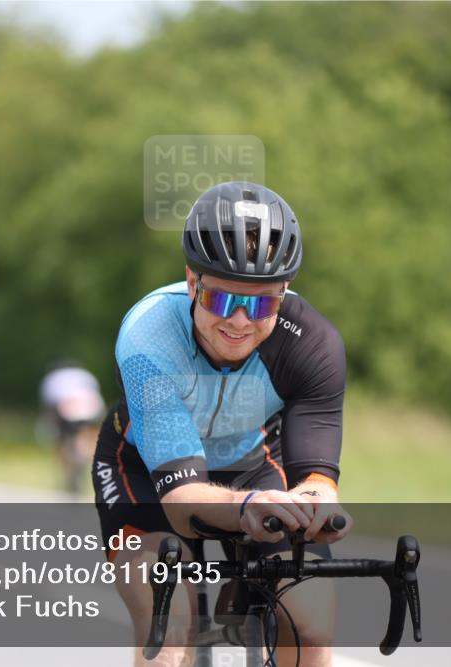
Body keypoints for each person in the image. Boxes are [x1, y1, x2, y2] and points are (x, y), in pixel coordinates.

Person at [92, 181, 350, 667]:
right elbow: (181, 501)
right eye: (222, 300)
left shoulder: (312, 344)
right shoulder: (149, 336)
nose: (239, 321)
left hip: (254, 463)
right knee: (169, 630)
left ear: (284, 294)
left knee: (311, 628)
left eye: (261, 304)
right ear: (193, 283)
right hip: (145, 471)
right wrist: (246, 507)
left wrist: (316, 507)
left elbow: (316, 478)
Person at [40, 361, 106, 495]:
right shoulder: (86, 375)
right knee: (85, 436)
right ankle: (84, 455)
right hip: (92, 408)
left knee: (61, 440)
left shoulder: (53, 377)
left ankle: (68, 465)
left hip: (67, 408)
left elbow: (49, 403)